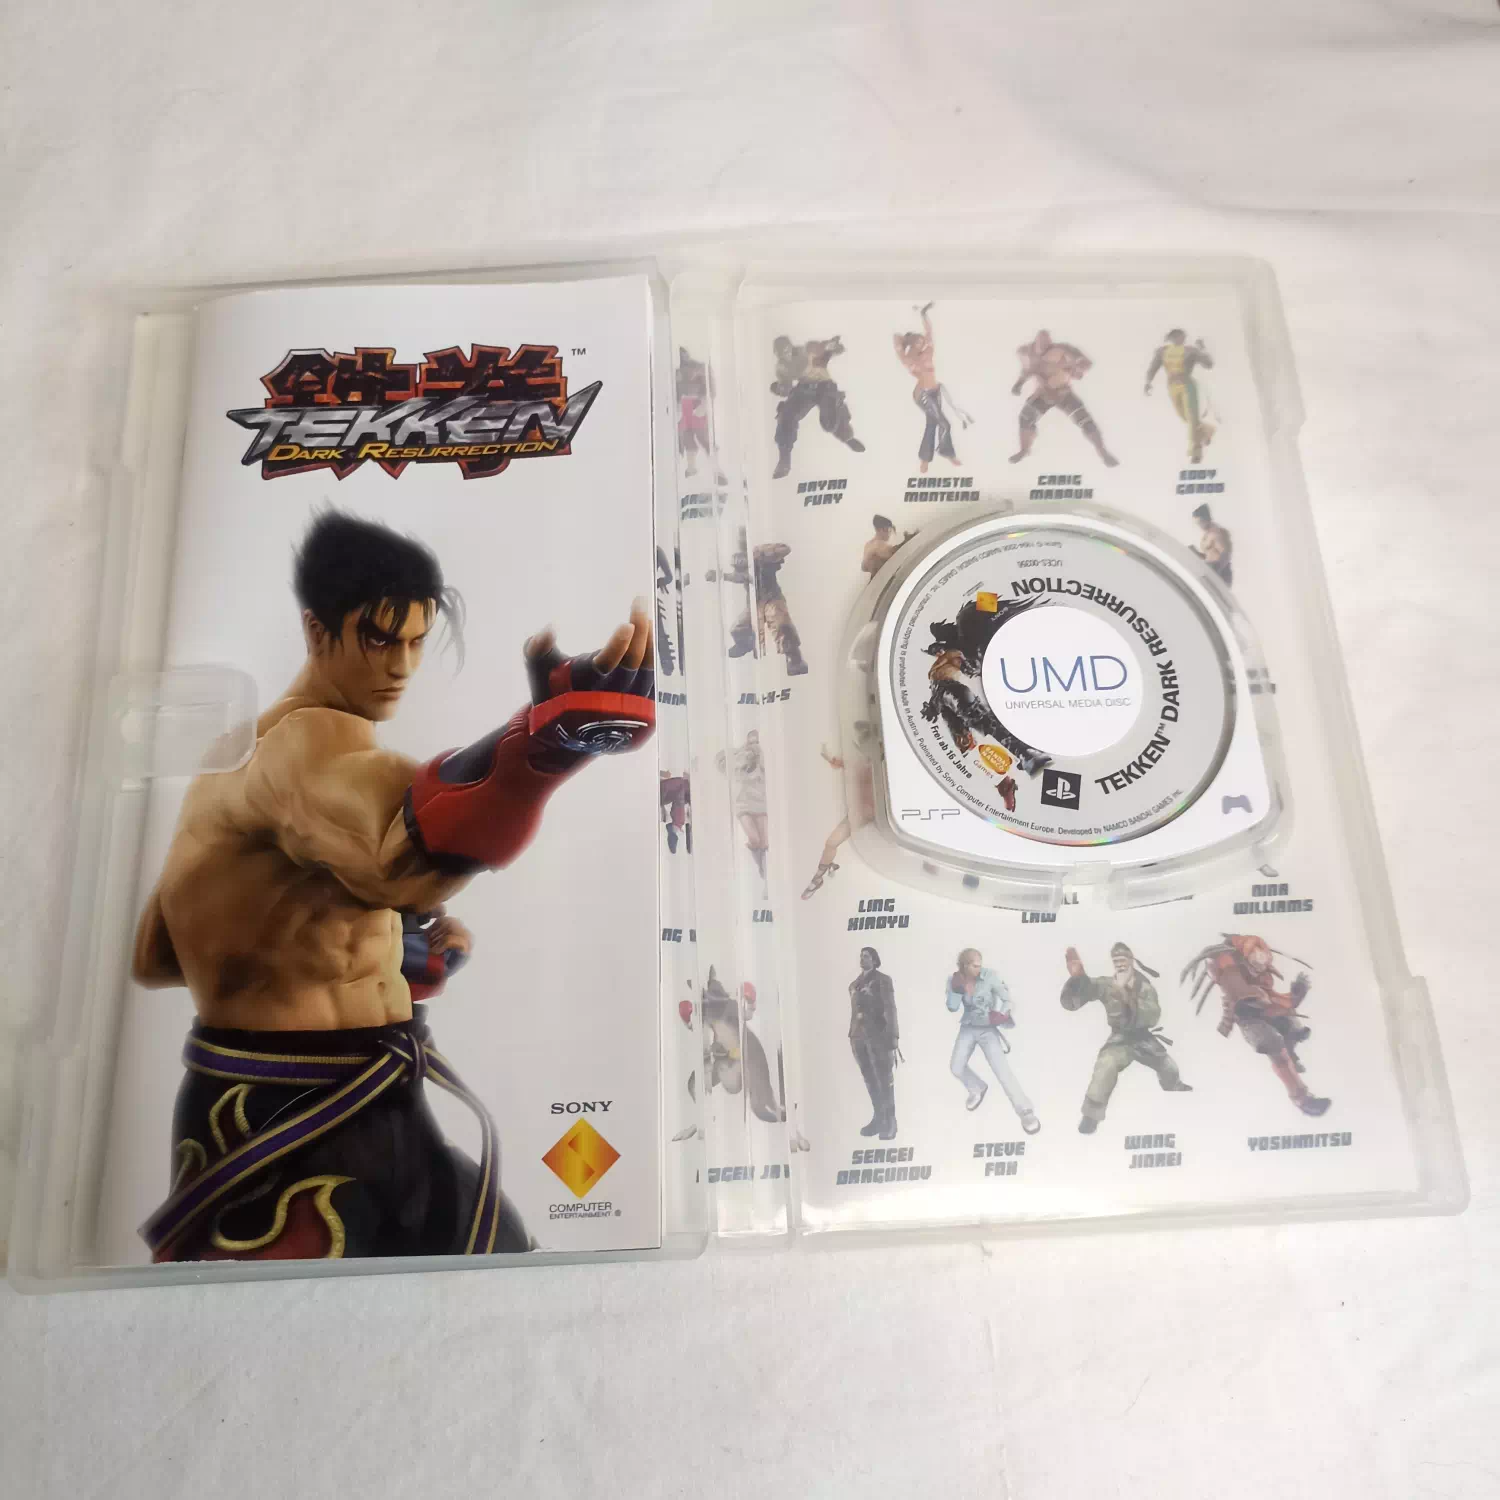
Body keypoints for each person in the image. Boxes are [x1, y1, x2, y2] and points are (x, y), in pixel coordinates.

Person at [131, 510, 655, 1262]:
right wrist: (540, 742)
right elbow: (398, 839)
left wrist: (394, 956)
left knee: (504, 1271)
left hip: (378, 1100)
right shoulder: (302, 742)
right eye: (380, 639)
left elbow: (159, 952)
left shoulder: (236, 756)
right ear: (317, 632)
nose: (403, 665)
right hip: (280, 1121)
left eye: (416, 640)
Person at [1182, 935, 1330, 1116]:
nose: (1261, 967)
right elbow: (1246, 998)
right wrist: (1285, 1002)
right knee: (1276, 1050)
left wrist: (1295, 996)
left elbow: (1272, 997)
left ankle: (1293, 1059)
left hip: (1262, 1011)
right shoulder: (1227, 965)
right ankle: (1302, 1099)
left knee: (1289, 1030)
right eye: (1256, 964)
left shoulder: (1256, 968)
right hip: (1249, 1019)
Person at [1061, 943, 1192, 1134]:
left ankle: (1175, 1090)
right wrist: (1078, 978)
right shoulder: (1108, 984)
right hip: (1119, 1040)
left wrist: (1126, 997)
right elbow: (1088, 990)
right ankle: (1091, 1116)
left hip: (1143, 1038)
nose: (1119, 964)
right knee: (1105, 1067)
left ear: (1131, 961)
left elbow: (1153, 1015)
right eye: (1116, 961)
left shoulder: (1144, 987)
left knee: (1169, 1068)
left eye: (1122, 960)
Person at [945, 949, 1040, 1133]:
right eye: (975, 966)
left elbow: (1007, 999)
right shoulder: (955, 979)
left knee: (1002, 1071)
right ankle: (977, 1088)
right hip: (968, 1027)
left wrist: (1001, 1014)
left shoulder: (990, 976)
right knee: (956, 1067)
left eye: (980, 965)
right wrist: (956, 990)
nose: (979, 969)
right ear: (965, 965)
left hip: (987, 1028)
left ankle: (1025, 1111)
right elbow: (952, 1007)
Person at [1008, 329, 1118, 468]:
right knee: (1025, 418)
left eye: (1047, 342)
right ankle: (1024, 450)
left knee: (1086, 421)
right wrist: (1018, 385)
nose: (1045, 345)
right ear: (1035, 342)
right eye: (1041, 343)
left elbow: (1085, 364)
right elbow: (1027, 371)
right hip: (1042, 394)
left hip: (1063, 393)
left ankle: (1103, 452)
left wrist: (1074, 366)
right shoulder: (1026, 352)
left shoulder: (1063, 349)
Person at [770, 334, 865, 479]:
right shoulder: (782, 367)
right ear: (778, 355)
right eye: (782, 354)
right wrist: (780, 388)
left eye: (788, 350)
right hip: (804, 389)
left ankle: (847, 436)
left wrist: (832, 347)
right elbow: (787, 387)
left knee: (829, 423)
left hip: (824, 386)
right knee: (786, 415)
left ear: (791, 347)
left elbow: (827, 348)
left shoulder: (806, 350)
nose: (787, 355)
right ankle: (784, 460)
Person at [802, 726, 877, 900]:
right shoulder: (858, 763)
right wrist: (825, 751)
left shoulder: (884, 765)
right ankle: (817, 878)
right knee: (831, 843)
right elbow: (836, 761)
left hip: (879, 820)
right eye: (863, 744)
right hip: (858, 816)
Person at [714, 539, 808, 676]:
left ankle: (795, 659)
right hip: (755, 602)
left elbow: (785, 549)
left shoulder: (762, 555)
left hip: (772, 599)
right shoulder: (742, 562)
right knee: (737, 627)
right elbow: (738, 577)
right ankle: (744, 644)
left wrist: (761, 553)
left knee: (782, 626)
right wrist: (720, 575)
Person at [893, 303, 961, 472]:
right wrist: (905, 340)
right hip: (922, 394)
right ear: (911, 343)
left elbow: (929, 331)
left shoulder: (928, 351)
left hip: (935, 392)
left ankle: (925, 459)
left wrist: (923, 314)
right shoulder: (907, 358)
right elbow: (896, 338)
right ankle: (946, 452)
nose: (922, 342)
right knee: (944, 424)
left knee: (932, 424)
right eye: (918, 341)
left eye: (922, 341)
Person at [848, 947, 900, 1139]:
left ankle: (890, 1122)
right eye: (861, 956)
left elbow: (890, 1008)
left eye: (867, 956)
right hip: (858, 1037)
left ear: (875, 960)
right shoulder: (854, 984)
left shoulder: (882, 980)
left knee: (884, 1080)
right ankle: (879, 1119)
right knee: (870, 1079)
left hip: (879, 1037)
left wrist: (893, 1037)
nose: (863, 959)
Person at [1145, 330, 1215, 463]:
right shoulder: (1162, 351)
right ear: (1171, 338)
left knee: (1192, 418)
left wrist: (1202, 349)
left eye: (1182, 336)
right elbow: (1153, 367)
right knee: (1185, 417)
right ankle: (1207, 431)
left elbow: (1209, 364)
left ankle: (1196, 452)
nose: (1180, 338)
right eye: (1176, 336)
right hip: (1172, 387)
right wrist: (1148, 382)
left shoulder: (1191, 350)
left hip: (1187, 385)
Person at [716, 730, 769, 883]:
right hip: (743, 805)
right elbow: (722, 764)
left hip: (760, 804)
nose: (754, 747)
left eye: (756, 742)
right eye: (751, 743)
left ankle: (763, 869)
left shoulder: (762, 763)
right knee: (754, 838)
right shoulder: (738, 762)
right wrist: (742, 752)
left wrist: (757, 756)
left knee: (764, 842)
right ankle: (760, 866)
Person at [1189, 504, 1233, 587]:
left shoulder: (1215, 534)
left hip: (1221, 575)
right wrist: (1196, 553)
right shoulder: (1207, 533)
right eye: (1197, 523)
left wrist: (1215, 571)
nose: (1199, 526)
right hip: (1212, 570)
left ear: (1206, 519)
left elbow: (1226, 554)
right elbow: (1211, 555)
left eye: (1200, 522)